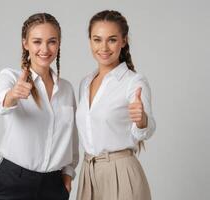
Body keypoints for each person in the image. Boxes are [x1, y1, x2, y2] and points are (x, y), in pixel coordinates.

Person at [0, 13, 78, 200]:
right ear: (25, 43)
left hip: (54, 186)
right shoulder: (11, 77)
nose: (44, 49)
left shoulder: (66, 89)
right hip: (13, 181)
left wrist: (68, 174)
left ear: (59, 44)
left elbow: (72, 138)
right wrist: (13, 95)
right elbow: (1, 104)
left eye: (51, 41)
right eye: (37, 41)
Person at [76, 10, 156, 200]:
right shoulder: (85, 82)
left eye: (112, 39)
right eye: (97, 39)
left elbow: (146, 129)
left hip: (122, 173)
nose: (103, 47)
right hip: (88, 173)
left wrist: (142, 120)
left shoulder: (134, 82)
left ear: (124, 40)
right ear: (90, 41)